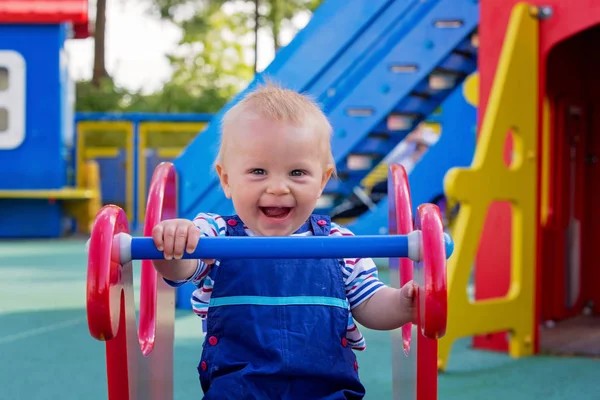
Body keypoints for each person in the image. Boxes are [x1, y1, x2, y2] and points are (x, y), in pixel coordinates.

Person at [150, 81, 418, 399]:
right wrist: (175, 241)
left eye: (297, 173)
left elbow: (369, 303)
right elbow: (178, 269)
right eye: (259, 171)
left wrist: (403, 304)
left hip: (324, 389)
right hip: (240, 389)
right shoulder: (214, 236)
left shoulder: (338, 243)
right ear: (226, 179)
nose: (278, 187)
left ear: (321, 180)